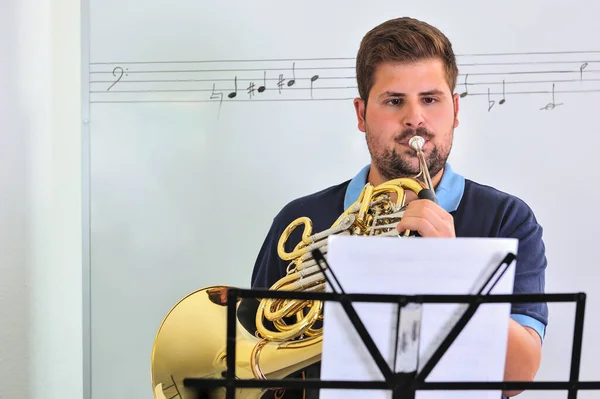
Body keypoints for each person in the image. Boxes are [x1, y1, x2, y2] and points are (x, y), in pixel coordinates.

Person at [248, 16, 548, 399]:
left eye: (430, 99)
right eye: (394, 101)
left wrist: (452, 266)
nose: (415, 119)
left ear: (455, 110)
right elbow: (255, 352)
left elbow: (518, 376)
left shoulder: (507, 218)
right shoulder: (300, 221)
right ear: (361, 114)